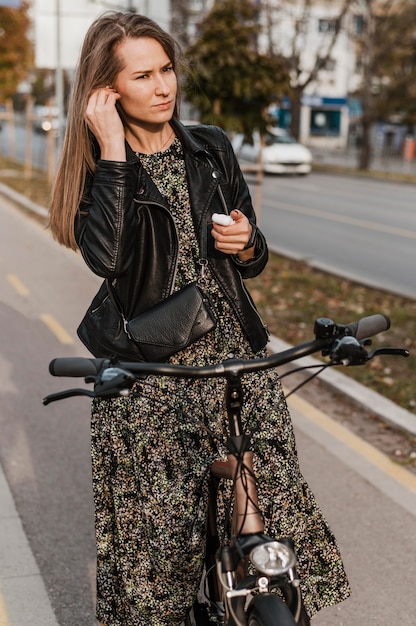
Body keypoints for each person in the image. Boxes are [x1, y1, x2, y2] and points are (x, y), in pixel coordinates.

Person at [49, 11, 351, 626]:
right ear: (106, 91)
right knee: (160, 543)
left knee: (265, 499)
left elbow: (255, 258)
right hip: (153, 371)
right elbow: (105, 258)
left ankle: (259, 596)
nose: (164, 87)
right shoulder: (100, 168)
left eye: (166, 70)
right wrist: (112, 150)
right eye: (143, 76)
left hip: (234, 351)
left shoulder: (210, 145)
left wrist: (247, 241)